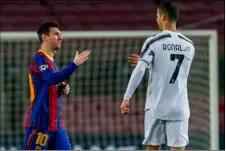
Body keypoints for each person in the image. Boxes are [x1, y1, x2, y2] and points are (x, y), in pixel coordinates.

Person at [120, 2, 195, 150]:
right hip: (179, 107)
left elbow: (140, 70)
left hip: (156, 105)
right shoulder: (189, 45)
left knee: (153, 148)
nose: (156, 20)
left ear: (164, 17)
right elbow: (171, 69)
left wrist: (127, 97)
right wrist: (148, 64)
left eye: (157, 17)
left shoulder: (154, 41)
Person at [23, 22, 90, 150]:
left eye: (61, 34)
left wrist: (60, 89)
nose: (61, 37)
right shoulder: (39, 58)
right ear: (44, 37)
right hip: (40, 123)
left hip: (56, 124)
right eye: (56, 34)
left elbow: (48, 86)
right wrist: (74, 64)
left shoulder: (52, 62)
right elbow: (50, 79)